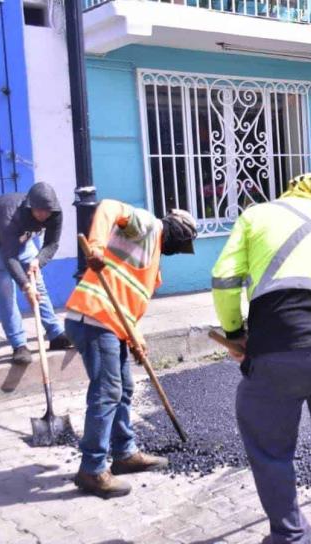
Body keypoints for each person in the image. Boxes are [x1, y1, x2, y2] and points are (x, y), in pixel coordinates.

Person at [211, 174, 311, 543]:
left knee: (270, 445)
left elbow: (225, 279)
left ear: (289, 194)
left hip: (278, 350)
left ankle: (291, 533)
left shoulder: (257, 215)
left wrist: (234, 333)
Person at [64, 200, 198, 499]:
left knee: (122, 388)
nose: (177, 250)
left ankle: (124, 454)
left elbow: (127, 298)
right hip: (94, 316)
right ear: (177, 233)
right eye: (182, 243)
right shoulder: (149, 226)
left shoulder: (151, 258)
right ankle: (92, 470)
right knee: (108, 391)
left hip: (113, 323)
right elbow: (110, 207)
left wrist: (135, 336)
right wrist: (96, 246)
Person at [0, 183, 71, 365]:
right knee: (6, 293)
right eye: (39, 211)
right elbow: (9, 257)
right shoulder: (10, 217)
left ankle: (56, 334)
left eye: (47, 211)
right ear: (30, 207)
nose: (44, 216)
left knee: (38, 285)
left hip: (22, 240)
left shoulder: (54, 212)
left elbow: (51, 244)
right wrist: (25, 286)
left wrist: (38, 261)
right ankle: (19, 345)